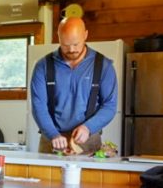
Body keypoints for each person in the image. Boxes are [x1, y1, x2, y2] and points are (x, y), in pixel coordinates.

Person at [29, 16, 118, 154]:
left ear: (85, 35)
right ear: (58, 38)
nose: (71, 49)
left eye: (76, 44)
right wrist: (53, 134)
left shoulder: (104, 66)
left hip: (88, 139)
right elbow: (38, 106)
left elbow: (109, 105)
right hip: (51, 139)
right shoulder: (43, 66)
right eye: (65, 45)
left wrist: (88, 127)